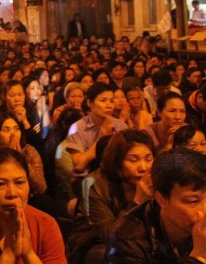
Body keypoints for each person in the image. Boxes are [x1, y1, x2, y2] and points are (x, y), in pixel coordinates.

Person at [67, 130, 155, 264]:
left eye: (149, 159)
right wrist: (137, 202)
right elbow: (111, 235)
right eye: (133, 159)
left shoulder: (156, 181)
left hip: (141, 241)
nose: (143, 167)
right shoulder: (92, 185)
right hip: (95, 243)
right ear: (117, 161)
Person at [106, 148, 206, 264]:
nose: (204, 210)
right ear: (162, 200)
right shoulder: (126, 239)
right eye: (193, 201)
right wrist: (197, 257)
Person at [0, 147, 67, 264]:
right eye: (0, 184)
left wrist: (29, 254)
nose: (12, 193)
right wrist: (8, 255)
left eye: (20, 182)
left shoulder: (45, 224)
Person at [67, 83, 128, 175]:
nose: (109, 105)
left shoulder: (121, 126)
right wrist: (101, 138)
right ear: (89, 103)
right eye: (103, 101)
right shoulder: (77, 128)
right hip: (88, 177)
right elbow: (79, 166)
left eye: (111, 101)